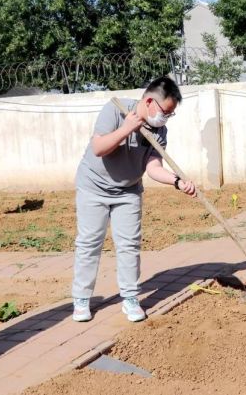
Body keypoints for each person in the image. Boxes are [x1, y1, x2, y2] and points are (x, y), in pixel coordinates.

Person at [72, 76, 196, 323]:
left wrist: (176, 181)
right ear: (149, 101)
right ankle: (81, 299)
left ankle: (130, 298)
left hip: (128, 191)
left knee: (129, 245)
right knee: (89, 243)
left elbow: (153, 167)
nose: (166, 118)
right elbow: (99, 148)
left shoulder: (159, 130)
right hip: (93, 186)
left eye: (170, 115)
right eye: (165, 112)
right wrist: (128, 128)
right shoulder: (115, 109)